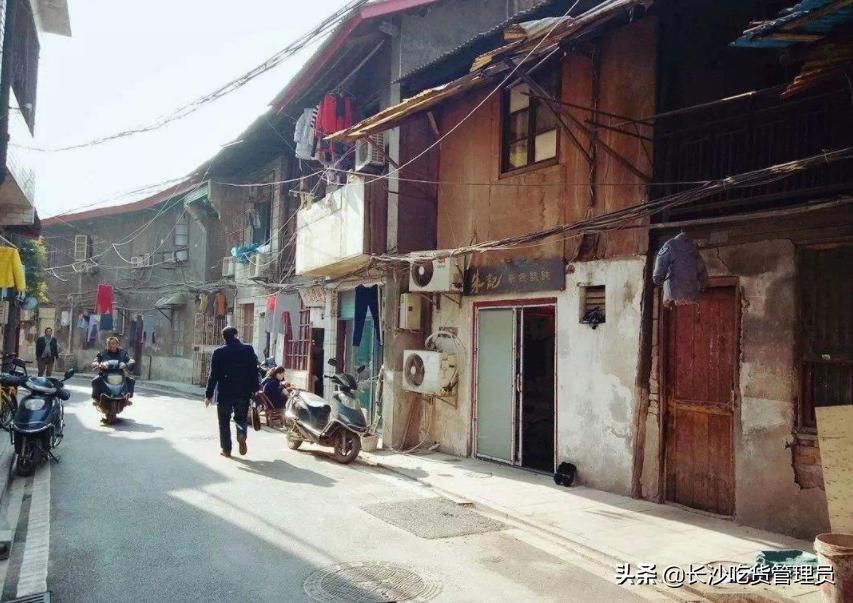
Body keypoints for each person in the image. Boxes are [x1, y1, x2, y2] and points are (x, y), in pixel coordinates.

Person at [205, 326, 260, 458]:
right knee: (240, 418)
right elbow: (254, 371)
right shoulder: (248, 349)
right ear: (236, 335)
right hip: (243, 392)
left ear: (224, 338)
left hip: (225, 393)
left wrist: (209, 394)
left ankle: (226, 450)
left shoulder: (218, 352)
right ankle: (241, 434)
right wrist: (256, 389)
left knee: (224, 422)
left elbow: (213, 375)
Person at [91, 336, 135, 402]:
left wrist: (127, 364)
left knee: (131, 381)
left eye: (113, 343)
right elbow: (95, 362)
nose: (111, 345)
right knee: (95, 380)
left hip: (120, 373)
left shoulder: (123, 353)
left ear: (117, 344)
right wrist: (98, 364)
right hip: (105, 374)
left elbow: (130, 360)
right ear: (107, 345)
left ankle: (128, 398)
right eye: (109, 344)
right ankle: (97, 399)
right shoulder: (102, 353)